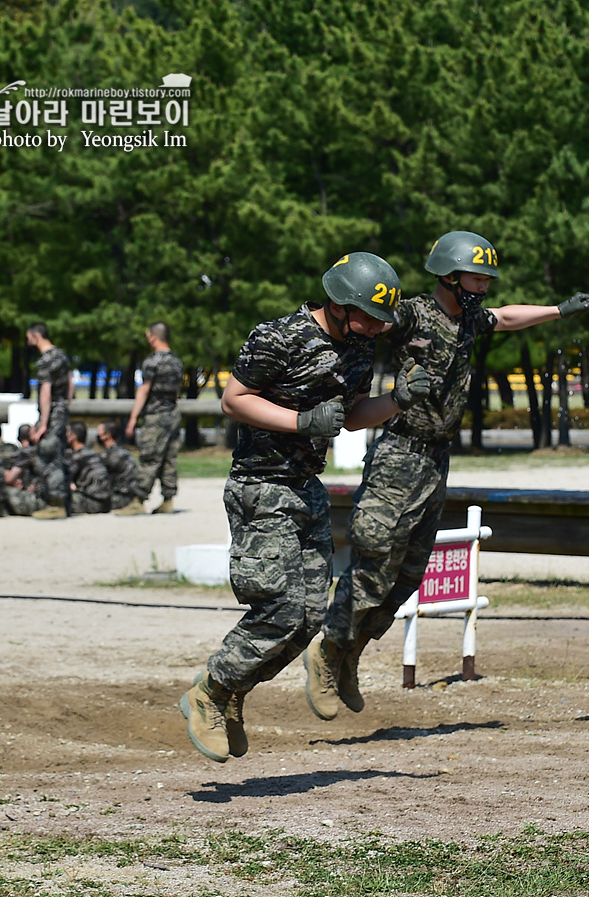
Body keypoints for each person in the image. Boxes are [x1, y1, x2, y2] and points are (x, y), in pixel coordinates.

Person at [318, 231, 589, 717]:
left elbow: (507, 317)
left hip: (435, 460)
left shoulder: (469, 318)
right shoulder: (411, 314)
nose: (484, 286)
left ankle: (352, 653)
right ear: (449, 274)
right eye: (477, 277)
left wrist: (557, 310)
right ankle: (327, 655)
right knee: (374, 563)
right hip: (398, 454)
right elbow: (367, 323)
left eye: (488, 279)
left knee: (408, 575)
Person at [179, 251, 431, 764]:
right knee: (279, 606)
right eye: (371, 316)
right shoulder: (278, 336)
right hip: (261, 486)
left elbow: (354, 414)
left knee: (312, 613)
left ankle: (232, 694)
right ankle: (210, 691)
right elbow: (234, 399)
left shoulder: (359, 348)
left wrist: (397, 400)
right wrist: (301, 422)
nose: (381, 327)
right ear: (339, 305)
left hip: (306, 488)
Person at [115, 323, 183, 515]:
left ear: (153, 337)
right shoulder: (176, 362)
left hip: (156, 416)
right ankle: (168, 500)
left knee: (149, 457)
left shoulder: (153, 361)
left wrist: (133, 418)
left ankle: (138, 500)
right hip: (173, 414)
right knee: (169, 458)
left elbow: (144, 390)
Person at [26, 323, 72, 520]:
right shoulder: (62, 356)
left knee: (49, 456)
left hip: (51, 413)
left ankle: (56, 504)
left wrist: (43, 423)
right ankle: (65, 501)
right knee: (60, 454)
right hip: (61, 410)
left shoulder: (44, 361)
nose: (27, 341)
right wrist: (66, 408)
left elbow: (45, 392)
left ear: (36, 336)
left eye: (28, 337)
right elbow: (70, 384)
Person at [65, 421, 111, 514]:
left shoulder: (77, 457)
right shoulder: (93, 454)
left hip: (91, 502)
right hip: (106, 503)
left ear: (72, 437)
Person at [96, 421, 142, 511]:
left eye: (99, 434)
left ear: (107, 435)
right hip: (131, 497)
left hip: (120, 498)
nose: (97, 436)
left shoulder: (109, 456)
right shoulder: (124, 452)